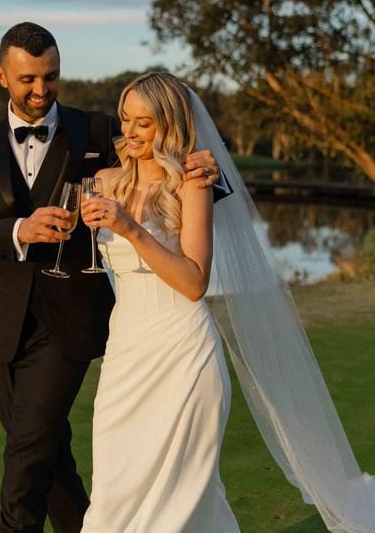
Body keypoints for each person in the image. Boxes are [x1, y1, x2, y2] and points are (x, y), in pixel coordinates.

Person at [0, 23, 221, 532]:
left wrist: (208, 169)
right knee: (50, 452)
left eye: (50, 77)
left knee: (25, 457)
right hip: (2, 323)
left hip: (71, 319)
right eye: (27, 79)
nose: (40, 90)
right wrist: (20, 229)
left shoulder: (94, 132)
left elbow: (162, 169)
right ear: (3, 76)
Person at [80, 72, 375, 532]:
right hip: (125, 355)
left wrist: (131, 229)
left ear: (170, 125)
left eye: (145, 123)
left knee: (186, 497)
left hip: (183, 355)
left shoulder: (192, 184)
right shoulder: (104, 181)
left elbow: (194, 282)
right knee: (113, 491)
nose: (131, 132)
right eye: (125, 119)